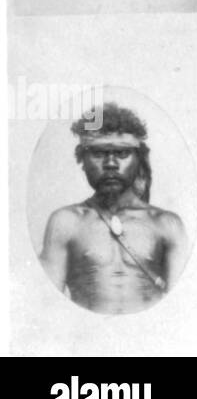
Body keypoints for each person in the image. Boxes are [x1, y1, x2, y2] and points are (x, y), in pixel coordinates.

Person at [39, 103, 187, 315]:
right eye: (98, 153)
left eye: (122, 153)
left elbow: (182, 308)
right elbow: (46, 306)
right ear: (82, 159)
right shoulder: (65, 222)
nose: (110, 163)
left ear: (139, 159)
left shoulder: (166, 224)